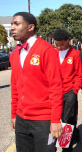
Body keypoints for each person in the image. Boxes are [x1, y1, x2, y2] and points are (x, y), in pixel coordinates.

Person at [10, 12, 63, 151]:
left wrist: (56, 120)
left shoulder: (46, 50)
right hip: (21, 119)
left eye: (17, 24)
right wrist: (14, 114)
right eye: (11, 24)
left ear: (30, 27)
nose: (12, 28)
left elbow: (56, 87)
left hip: (43, 120)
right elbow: (15, 87)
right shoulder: (15, 54)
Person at [53, 29, 82, 152]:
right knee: (55, 119)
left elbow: (79, 74)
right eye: (57, 44)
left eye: (62, 44)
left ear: (67, 41)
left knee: (68, 121)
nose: (59, 47)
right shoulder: (52, 53)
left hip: (69, 92)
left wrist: (74, 90)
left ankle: (66, 147)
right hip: (54, 92)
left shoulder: (75, 54)